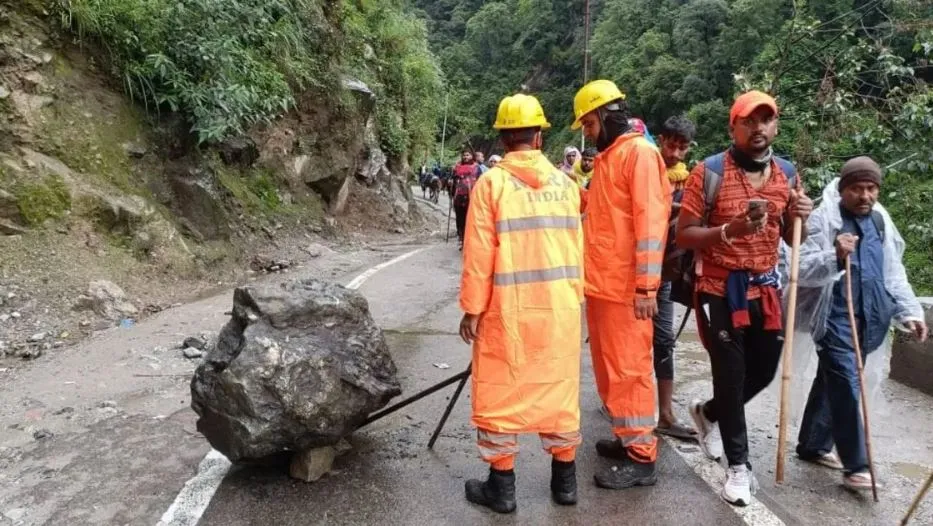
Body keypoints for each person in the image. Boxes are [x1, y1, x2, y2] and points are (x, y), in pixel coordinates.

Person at [675, 90, 813, 507]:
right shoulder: (709, 172)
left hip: (766, 288)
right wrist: (727, 232)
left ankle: (710, 413)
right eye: (749, 121)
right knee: (731, 376)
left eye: (766, 120)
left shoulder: (786, 174)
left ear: (776, 126)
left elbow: (793, 238)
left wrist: (801, 216)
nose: (758, 128)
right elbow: (684, 234)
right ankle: (739, 467)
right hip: (718, 289)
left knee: (765, 371)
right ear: (733, 127)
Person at [459, 93, 584, 514]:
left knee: (500, 393)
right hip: (560, 312)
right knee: (559, 391)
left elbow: (479, 256)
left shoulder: (490, 184)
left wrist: (472, 309)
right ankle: (565, 483)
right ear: (537, 135)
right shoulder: (567, 187)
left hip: (506, 311)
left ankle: (503, 489)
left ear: (504, 137)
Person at [795, 156, 928, 491]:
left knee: (832, 381)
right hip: (835, 317)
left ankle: (813, 444)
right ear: (843, 190)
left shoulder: (880, 220)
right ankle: (857, 464)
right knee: (845, 384)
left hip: (870, 318)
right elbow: (802, 268)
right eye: (857, 189)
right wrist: (835, 255)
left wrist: (910, 312)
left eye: (871, 189)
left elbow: (893, 273)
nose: (865, 196)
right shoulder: (824, 219)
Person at [571, 79, 670, 489]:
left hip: (628, 290)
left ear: (607, 115)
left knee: (629, 370)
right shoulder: (612, 157)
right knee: (611, 370)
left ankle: (642, 457)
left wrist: (647, 289)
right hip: (602, 286)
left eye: (590, 125)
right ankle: (627, 437)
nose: (588, 134)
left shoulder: (640, 155)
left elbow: (651, 227)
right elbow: (605, 213)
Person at [654, 115, 698, 440]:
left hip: (665, 272)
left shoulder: (690, 180)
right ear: (661, 140)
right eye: (672, 145)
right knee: (631, 343)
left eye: (683, 148)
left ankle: (666, 414)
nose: (677, 154)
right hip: (635, 272)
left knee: (664, 340)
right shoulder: (645, 169)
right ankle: (623, 406)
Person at [452, 149, 479, 250]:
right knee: (460, 220)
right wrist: (451, 182)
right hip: (458, 198)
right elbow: (453, 181)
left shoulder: (477, 168)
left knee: (471, 219)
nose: (465, 157)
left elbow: (481, 180)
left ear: (472, 156)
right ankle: (462, 239)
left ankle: (470, 241)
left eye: (468, 155)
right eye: (464, 155)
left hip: (472, 197)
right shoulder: (457, 168)